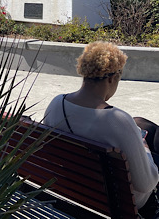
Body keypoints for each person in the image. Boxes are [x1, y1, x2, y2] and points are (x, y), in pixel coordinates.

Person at [44, 41, 159, 214]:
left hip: (76, 189)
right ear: (112, 78)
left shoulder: (56, 103)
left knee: (139, 123)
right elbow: (146, 183)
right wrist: (144, 147)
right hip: (120, 202)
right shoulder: (118, 120)